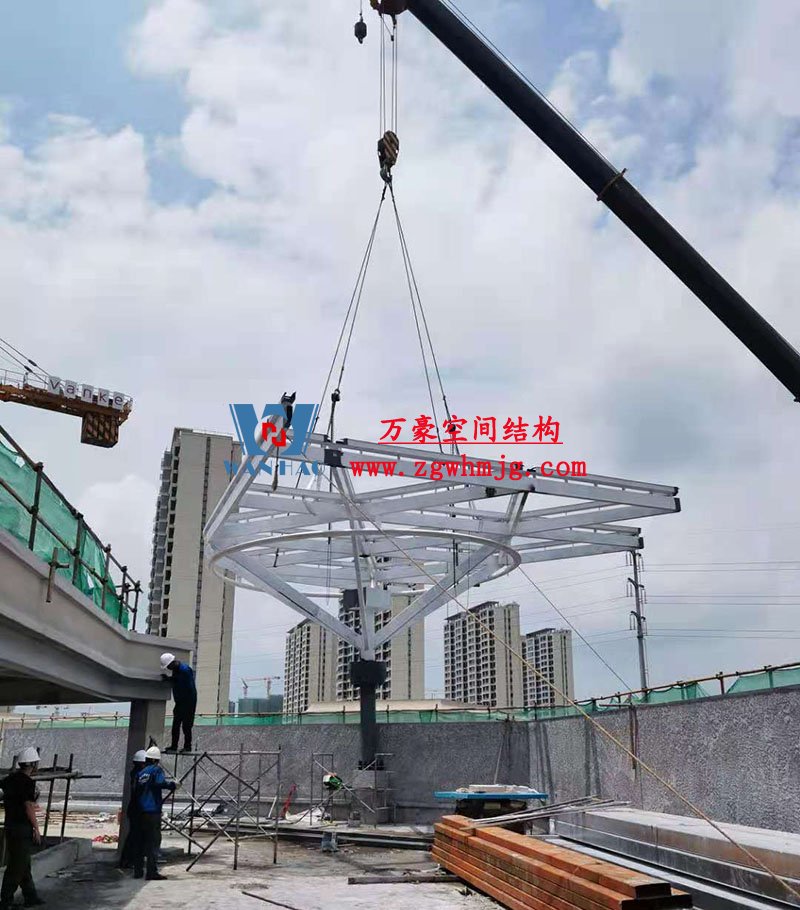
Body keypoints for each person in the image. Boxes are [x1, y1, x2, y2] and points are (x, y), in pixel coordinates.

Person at [0, 747, 45, 909]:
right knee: (17, 866)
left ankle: (30, 896)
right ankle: (6, 901)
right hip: (22, 827)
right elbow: (28, 807)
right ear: (32, 764)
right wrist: (36, 828)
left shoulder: (8, 780)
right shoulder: (27, 783)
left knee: (23, 863)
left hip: (10, 825)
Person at [132, 746, 176, 881]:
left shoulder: (141, 773)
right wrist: (172, 785)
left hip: (141, 812)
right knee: (153, 843)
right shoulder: (156, 770)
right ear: (156, 760)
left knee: (140, 841)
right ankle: (151, 872)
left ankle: (138, 871)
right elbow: (160, 783)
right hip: (152, 811)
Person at [160, 652, 197, 753]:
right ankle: (174, 746)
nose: (168, 669)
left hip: (188, 701)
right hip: (180, 701)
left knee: (186, 725)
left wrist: (184, 704)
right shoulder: (176, 670)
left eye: (168, 666)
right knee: (176, 724)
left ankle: (187, 747)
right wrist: (168, 679)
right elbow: (177, 680)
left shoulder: (185, 670)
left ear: (172, 663)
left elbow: (189, 688)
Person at [118, 750, 147, 870]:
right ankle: (128, 860)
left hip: (135, 809)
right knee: (134, 836)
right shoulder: (139, 776)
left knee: (135, 836)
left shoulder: (136, 773)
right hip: (137, 809)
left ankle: (130, 860)